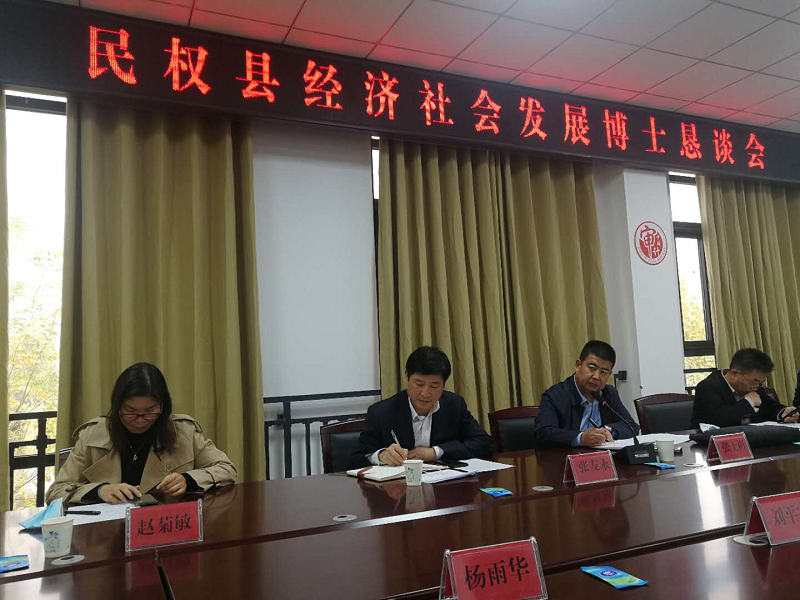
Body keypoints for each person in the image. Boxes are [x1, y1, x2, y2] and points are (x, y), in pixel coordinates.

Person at [46, 362, 237, 505]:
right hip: (107, 534)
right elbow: (55, 492)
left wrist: (188, 480)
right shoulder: (93, 435)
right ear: (117, 406)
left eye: (149, 411)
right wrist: (100, 491)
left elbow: (227, 469)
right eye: (130, 411)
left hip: (165, 529)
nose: (139, 420)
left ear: (163, 407)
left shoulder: (183, 431)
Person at [348, 346, 493, 469]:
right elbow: (356, 460)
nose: (425, 393)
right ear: (407, 377)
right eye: (419, 384)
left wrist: (435, 452)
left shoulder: (454, 405)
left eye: (434, 386)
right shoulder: (381, 412)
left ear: (444, 384)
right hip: (398, 489)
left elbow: (484, 443)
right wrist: (380, 456)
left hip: (444, 486)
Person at [534, 340, 639, 447]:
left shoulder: (609, 393)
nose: (596, 376)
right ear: (578, 365)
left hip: (604, 455)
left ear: (609, 374)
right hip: (568, 456)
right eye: (592, 368)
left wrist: (608, 431)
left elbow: (631, 426)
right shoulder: (555, 395)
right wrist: (581, 438)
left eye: (603, 372)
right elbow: (543, 433)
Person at [690, 348, 798, 428]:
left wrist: (783, 412)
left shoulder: (754, 387)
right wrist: (749, 402)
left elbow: (770, 408)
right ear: (734, 374)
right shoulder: (707, 387)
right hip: (708, 446)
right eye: (754, 381)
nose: (756, 387)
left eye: (760, 383)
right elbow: (720, 419)